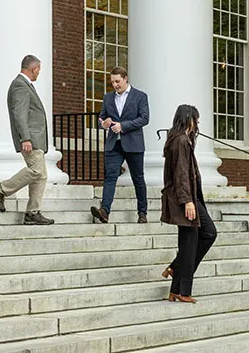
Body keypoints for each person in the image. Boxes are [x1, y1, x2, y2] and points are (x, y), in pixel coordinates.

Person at [0, 55, 54, 225]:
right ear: (34, 69)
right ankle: (0, 188)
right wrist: (25, 138)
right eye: (39, 69)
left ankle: (33, 212)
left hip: (36, 139)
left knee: (41, 175)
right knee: (37, 172)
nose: (39, 73)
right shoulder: (20, 86)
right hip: (30, 139)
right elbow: (19, 113)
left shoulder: (25, 85)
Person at [160, 104, 217, 303]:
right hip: (185, 200)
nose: (197, 124)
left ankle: (177, 286)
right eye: (196, 120)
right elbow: (181, 174)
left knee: (189, 243)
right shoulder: (181, 140)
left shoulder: (178, 139)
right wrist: (188, 202)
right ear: (188, 119)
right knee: (204, 236)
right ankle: (182, 289)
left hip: (187, 198)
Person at [90, 67, 149, 224]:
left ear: (125, 78)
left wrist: (122, 126)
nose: (115, 85)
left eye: (117, 81)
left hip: (133, 143)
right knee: (110, 176)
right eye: (112, 82)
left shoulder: (140, 96)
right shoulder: (108, 98)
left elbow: (144, 119)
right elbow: (101, 118)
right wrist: (104, 123)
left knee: (138, 178)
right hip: (113, 143)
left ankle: (142, 212)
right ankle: (105, 211)